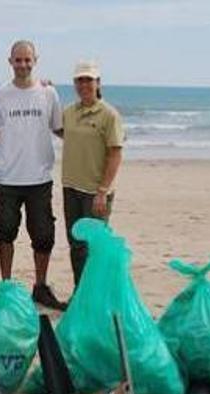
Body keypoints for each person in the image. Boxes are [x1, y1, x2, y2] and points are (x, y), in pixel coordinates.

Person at [0, 40, 67, 310]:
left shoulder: (49, 94)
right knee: (5, 232)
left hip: (40, 177)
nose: (22, 65)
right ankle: (7, 286)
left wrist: (96, 140)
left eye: (27, 60)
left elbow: (60, 129)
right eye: (17, 60)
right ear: (10, 62)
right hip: (7, 178)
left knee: (43, 235)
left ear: (35, 60)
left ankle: (40, 287)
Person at [61, 60, 125, 287]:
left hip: (95, 193)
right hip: (71, 188)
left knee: (96, 248)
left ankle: (97, 296)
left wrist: (102, 191)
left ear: (98, 83)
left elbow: (115, 154)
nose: (84, 84)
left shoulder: (109, 115)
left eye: (89, 79)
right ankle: (80, 295)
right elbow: (62, 133)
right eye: (80, 80)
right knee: (76, 245)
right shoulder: (69, 112)